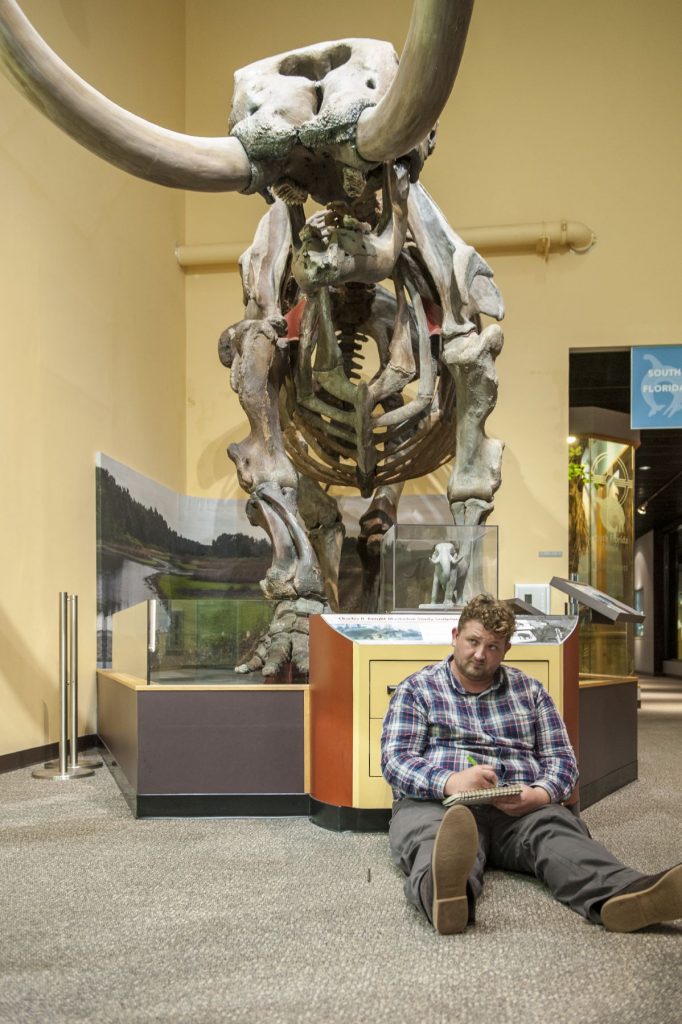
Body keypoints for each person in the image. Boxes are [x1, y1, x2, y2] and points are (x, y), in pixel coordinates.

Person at [381, 593, 682, 934]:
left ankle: (625, 896)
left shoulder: (531, 691)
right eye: (473, 641)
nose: (480, 654)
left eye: (493, 647)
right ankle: (446, 896)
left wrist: (539, 794)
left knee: (558, 835)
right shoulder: (418, 689)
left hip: (521, 812)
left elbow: (562, 761)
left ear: (506, 650)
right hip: (442, 806)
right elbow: (396, 761)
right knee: (435, 840)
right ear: (455, 636)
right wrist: (450, 782)